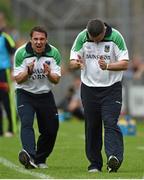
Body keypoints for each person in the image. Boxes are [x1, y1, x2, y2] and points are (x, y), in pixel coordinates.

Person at [69, 19, 129, 173]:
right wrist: (77, 64)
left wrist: (108, 66)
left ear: (104, 30)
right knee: (92, 126)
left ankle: (113, 158)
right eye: (92, 39)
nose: (95, 42)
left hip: (111, 89)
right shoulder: (82, 37)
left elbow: (125, 63)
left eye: (98, 39)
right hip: (89, 88)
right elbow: (72, 62)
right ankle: (95, 164)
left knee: (110, 122)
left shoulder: (116, 37)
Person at [13, 26, 61, 169]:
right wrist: (28, 71)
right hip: (25, 94)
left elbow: (56, 80)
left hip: (45, 95)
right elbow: (18, 79)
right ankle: (29, 156)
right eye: (36, 39)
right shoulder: (21, 53)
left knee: (51, 130)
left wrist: (49, 73)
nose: (39, 42)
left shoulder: (54, 53)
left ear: (46, 40)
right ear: (31, 40)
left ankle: (40, 159)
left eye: (42, 39)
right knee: (27, 123)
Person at [0, 11, 16, 137]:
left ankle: (12, 129)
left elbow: (13, 54)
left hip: (4, 72)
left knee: (7, 101)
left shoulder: (6, 37)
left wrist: (12, 71)